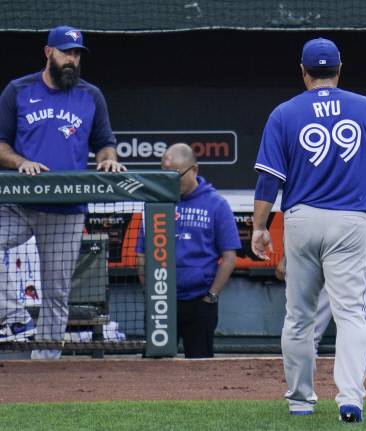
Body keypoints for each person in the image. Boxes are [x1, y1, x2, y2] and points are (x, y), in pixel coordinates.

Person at [251, 37, 366, 423]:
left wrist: (259, 227)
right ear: (339, 69)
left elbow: (269, 182)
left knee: (299, 316)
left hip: (301, 219)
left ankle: (301, 400)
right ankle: (350, 398)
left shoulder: (284, 113)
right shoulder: (365, 107)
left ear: (303, 72)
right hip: (350, 221)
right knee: (351, 313)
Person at [0, 25, 126, 359]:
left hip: (66, 209)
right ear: (48, 52)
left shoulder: (90, 95)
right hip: (20, 204)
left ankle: (46, 369)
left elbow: (105, 144)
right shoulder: (18, 90)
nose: (72, 59)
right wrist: (20, 161)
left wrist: (108, 161)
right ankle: (15, 318)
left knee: (56, 294)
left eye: (76, 54)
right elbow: (0, 143)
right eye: (65, 52)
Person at [136, 143, 240, 358]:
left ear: (194, 170)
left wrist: (211, 296)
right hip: (161, 301)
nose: (170, 181)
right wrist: (151, 293)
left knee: (201, 370)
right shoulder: (155, 202)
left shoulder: (217, 204)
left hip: (200, 302)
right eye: (165, 175)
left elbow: (230, 257)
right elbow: (141, 255)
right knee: (155, 368)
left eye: (175, 175)